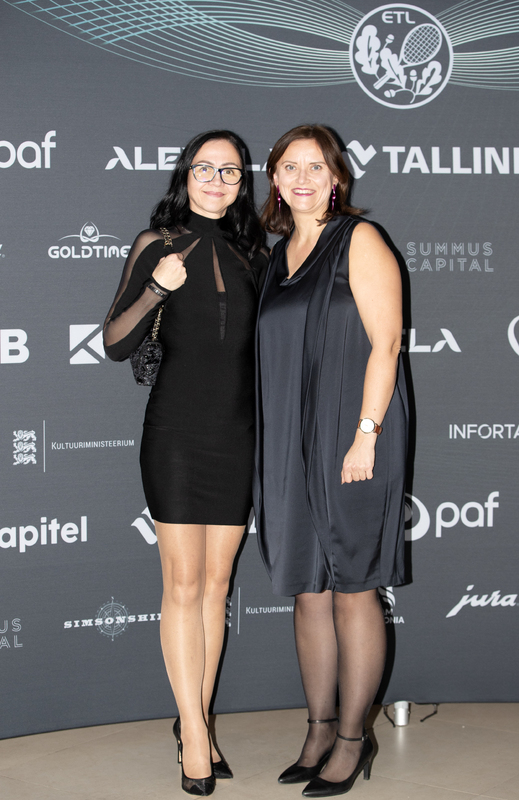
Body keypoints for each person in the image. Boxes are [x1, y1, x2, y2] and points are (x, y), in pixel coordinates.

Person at [104, 130, 267, 797]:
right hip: (174, 431)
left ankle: (192, 718)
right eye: (205, 167)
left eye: (229, 171)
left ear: (242, 183)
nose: (216, 180)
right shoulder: (156, 244)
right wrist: (155, 288)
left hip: (237, 434)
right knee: (182, 583)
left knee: (216, 587)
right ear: (185, 174)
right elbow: (115, 342)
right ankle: (196, 734)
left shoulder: (257, 252)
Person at [253, 124, 408, 798]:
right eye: (289, 167)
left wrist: (366, 433)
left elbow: (386, 343)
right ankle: (317, 729)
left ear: (337, 177)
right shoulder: (274, 257)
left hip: (353, 434)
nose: (303, 179)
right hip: (289, 439)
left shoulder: (359, 239)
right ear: (274, 180)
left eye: (316, 167)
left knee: (352, 586)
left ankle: (352, 737)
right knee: (307, 590)